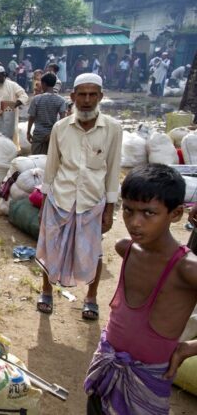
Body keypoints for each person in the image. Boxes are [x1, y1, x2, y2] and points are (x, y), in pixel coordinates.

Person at [85, 164, 197, 414]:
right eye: (128, 210)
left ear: (176, 213)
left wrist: (188, 348)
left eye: (148, 213)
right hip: (106, 365)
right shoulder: (126, 249)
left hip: (147, 382)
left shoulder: (186, 269)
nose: (134, 223)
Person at [35, 73, 122, 320]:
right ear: (72, 97)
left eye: (92, 94)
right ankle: (46, 291)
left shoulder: (112, 129)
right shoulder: (60, 128)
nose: (86, 100)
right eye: (81, 94)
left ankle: (91, 298)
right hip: (60, 199)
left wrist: (109, 210)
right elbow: (51, 168)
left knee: (93, 252)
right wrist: (43, 203)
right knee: (50, 247)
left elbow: (113, 170)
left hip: (92, 202)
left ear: (100, 97)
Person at [0, 65, 28, 147]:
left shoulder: (12, 85)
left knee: (8, 142)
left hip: (8, 119)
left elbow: (24, 96)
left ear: (4, 75)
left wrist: (11, 106)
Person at [26, 73, 68, 155]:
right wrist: (54, 133)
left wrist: (28, 132)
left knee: (36, 159)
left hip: (38, 134)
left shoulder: (36, 99)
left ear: (44, 84)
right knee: (51, 159)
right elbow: (62, 120)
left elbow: (31, 117)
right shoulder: (61, 100)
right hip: (52, 135)